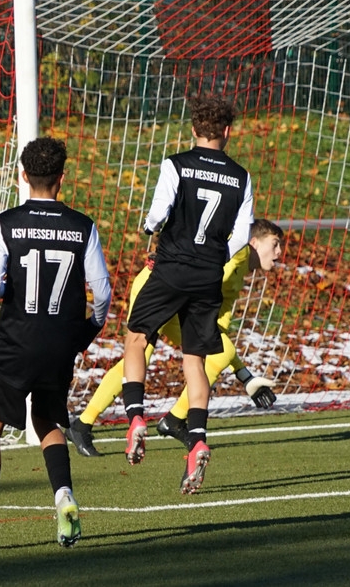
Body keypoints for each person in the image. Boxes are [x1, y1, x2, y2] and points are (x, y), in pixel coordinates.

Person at [0, 137, 111, 550]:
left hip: (17, 340)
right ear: (62, 178)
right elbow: (102, 292)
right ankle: (64, 497)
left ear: (23, 176)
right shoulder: (84, 226)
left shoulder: (4, 222)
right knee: (48, 420)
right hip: (60, 343)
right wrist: (85, 333)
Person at [120, 94, 253, 495]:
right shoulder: (241, 176)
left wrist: (147, 229)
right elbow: (244, 234)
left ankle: (136, 417)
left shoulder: (176, 163)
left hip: (173, 267)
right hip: (207, 276)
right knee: (194, 359)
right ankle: (196, 440)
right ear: (227, 133)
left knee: (137, 336)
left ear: (193, 130)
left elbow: (159, 212)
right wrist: (215, 257)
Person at [66, 218, 285, 460]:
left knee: (216, 352)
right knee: (140, 354)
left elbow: (216, 331)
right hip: (157, 287)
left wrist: (245, 376)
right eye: (274, 244)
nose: (279, 252)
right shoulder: (232, 256)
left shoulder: (240, 266)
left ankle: (169, 420)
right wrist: (244, 375)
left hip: (176, 298)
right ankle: (85, 425)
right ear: (253, 242)